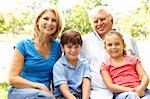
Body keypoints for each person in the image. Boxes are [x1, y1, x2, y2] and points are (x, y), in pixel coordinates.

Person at [80, 6, 139, 99]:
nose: (99, 24)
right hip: (99, 92)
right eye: (95, 21)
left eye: (102, 19)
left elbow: (138, 66)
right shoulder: (84, 41)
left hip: (129, 89)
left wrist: (138, 88)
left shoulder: (128, 39)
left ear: (111, 19)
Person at [8, 7, 63, 99]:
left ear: (57, 25)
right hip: (21, 91)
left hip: (44, 94)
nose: (49, 23)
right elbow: (12, 79)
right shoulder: (23, 45)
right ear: (37, 21)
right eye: (46, 18)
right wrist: (39, 86)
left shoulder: (58, 47)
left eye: (54, 20)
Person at [100, 30, 150, 99]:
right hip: (122, 94)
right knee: (132, 96)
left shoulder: (133, 59)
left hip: (141, 91)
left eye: (117, 44)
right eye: (109, 45)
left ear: (123, 45)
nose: (113, 47)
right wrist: (130, 90)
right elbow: (110, 86)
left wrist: (141, 88)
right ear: (105, 47)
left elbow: (145, 76)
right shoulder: (105, 65)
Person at [53, 29, 91, 99]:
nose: (73, 50)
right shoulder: (59, 66)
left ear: (81, 46)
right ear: (62, 47)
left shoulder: (84, 63)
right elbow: (64, 90)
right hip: (64, 97)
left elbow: (86, 82)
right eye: (69, 47)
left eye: (76, 47)